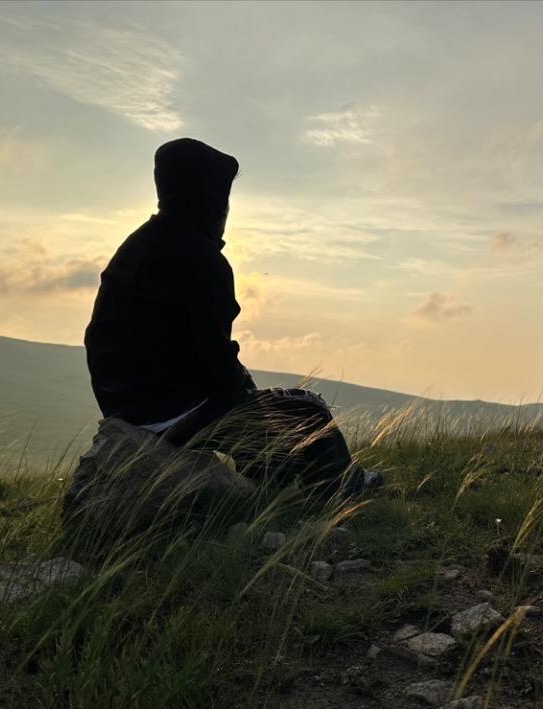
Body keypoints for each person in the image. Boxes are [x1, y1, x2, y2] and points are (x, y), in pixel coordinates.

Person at [84, 138, 381, 498]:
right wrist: (249, 397)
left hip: (124, 405)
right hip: (170, 410)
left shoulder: (138, 244)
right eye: (222, 194)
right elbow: (215, 359)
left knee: (249, 406)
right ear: (207, 194)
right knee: (308, 410)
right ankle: (343, 491)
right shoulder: (202, 259)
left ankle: (273, 484)